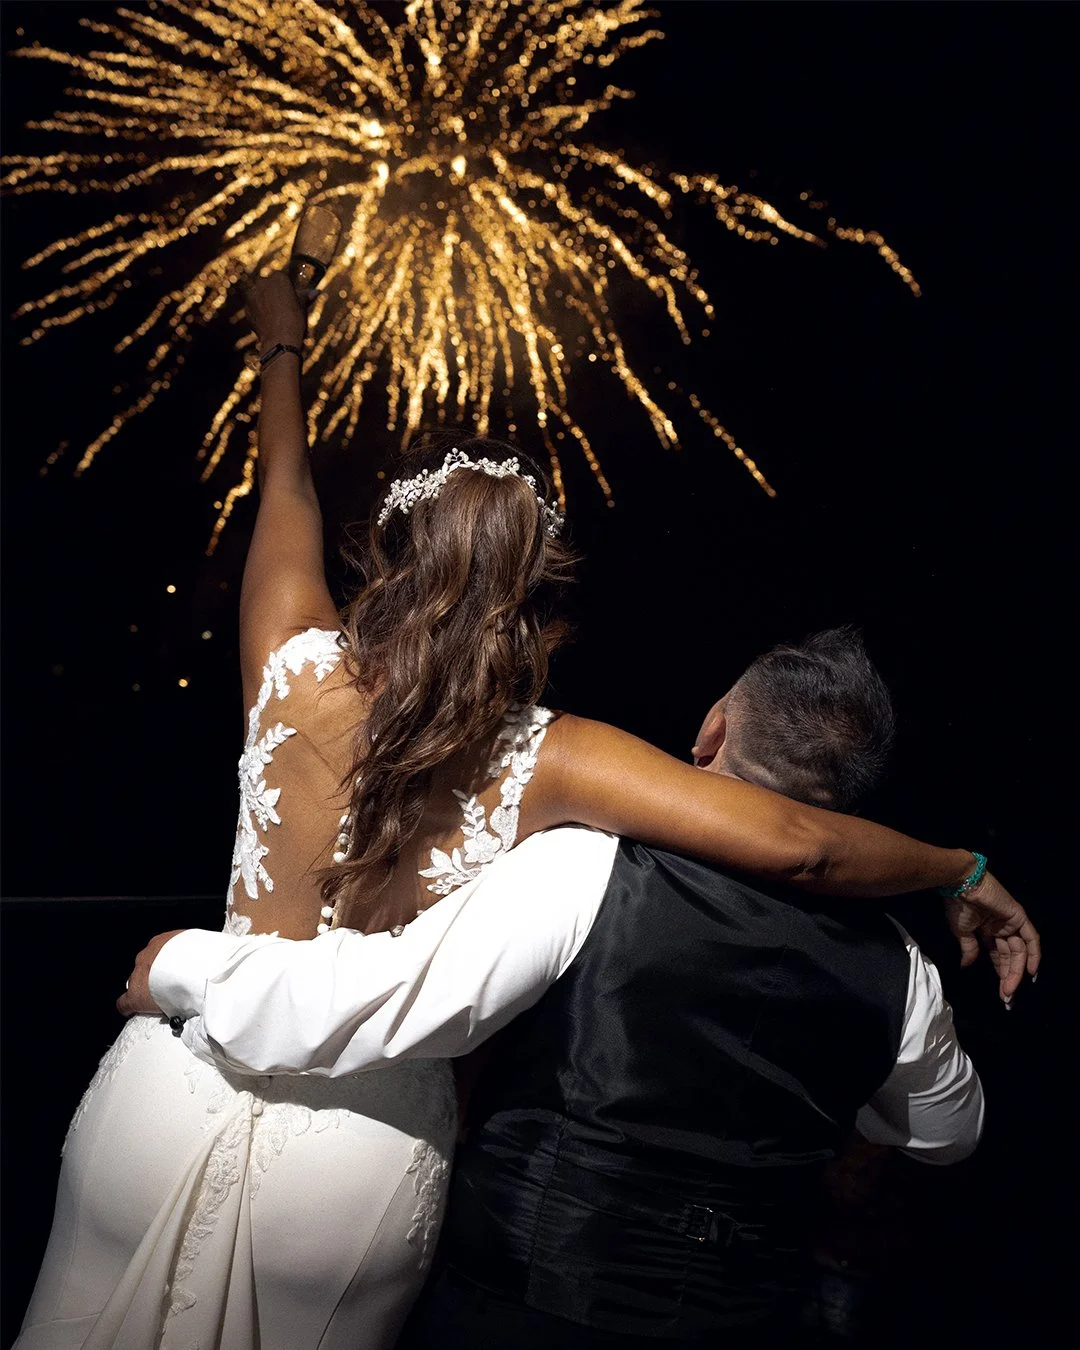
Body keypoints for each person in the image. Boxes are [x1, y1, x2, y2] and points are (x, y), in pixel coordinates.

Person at [17, 271, 1036, 1350]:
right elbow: (801, 845)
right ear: (531, 594)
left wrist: (284, 346)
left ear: (394, 548)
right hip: (356, 1153)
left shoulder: (286, 660)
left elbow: (288, 491)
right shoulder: (556, 758)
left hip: (169, 1092)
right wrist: (959, 868)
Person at [122, 630, 998, 1349]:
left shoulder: (586, 865)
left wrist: (183, 968)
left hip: (525, 1307)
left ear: (712, 730)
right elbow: (950, 1133)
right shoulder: (902, 967)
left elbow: (379, 1001)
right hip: (750, 1319)